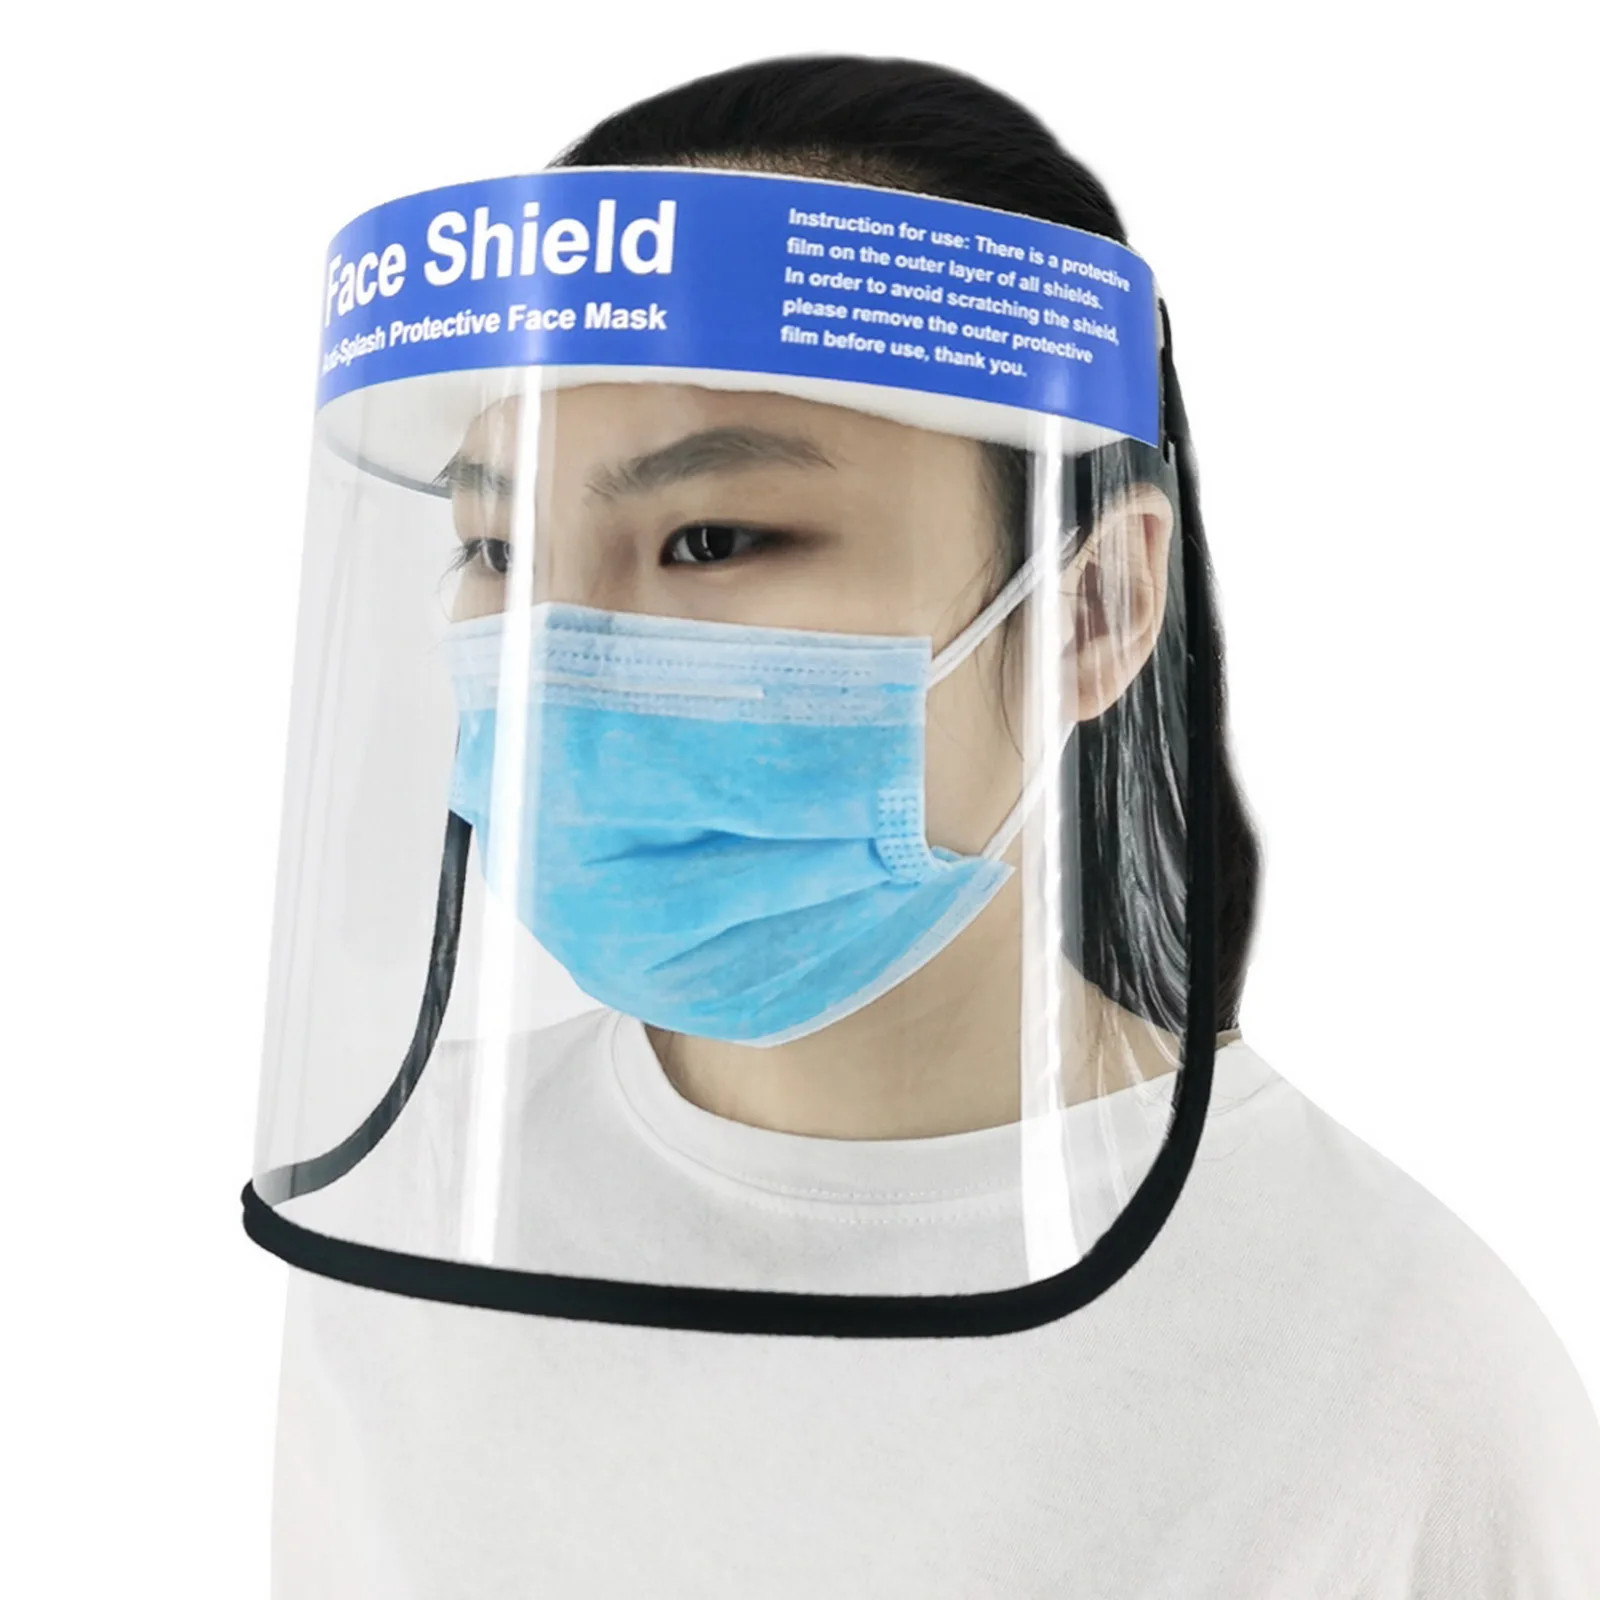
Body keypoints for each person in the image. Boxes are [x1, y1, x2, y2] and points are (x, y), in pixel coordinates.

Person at [266, 56, 1600, 1597]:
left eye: (712, 537)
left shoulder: (1387, 1363)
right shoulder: (407, 1219)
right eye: (496, 546)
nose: (553, 658)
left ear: (1096, 606)